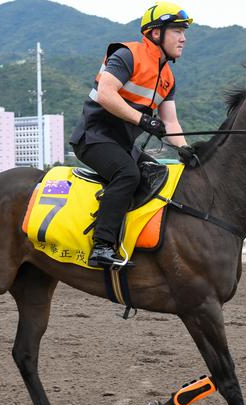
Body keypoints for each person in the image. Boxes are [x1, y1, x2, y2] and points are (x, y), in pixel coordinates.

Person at [69, 2, 198, 268]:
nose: (183, 38)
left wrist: (185, 148)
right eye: (176, 30)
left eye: (184, 32)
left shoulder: (168, 78)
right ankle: (102, 247)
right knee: (128, 174)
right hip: (93, 138)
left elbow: (170, 121)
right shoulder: (127, 54)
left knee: (156, 173)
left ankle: (131, 239)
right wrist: (143, 120)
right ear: (155, 33)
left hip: (123, 145)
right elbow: (106, 94)